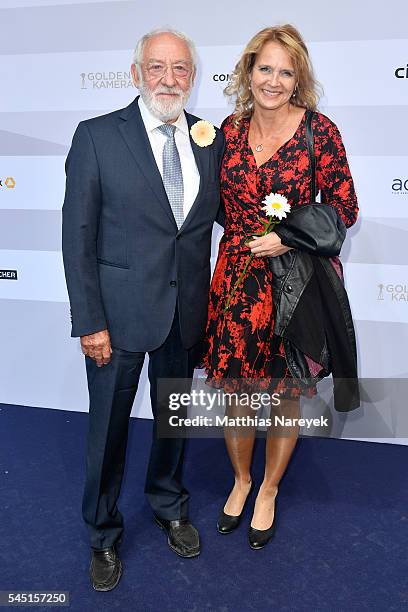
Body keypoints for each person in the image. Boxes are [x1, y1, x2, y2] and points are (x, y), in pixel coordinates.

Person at [62, 28, 224, 590]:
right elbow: (77, 237)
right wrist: (90, 321)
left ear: (193, 78)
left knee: (175, 419)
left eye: (181, 69)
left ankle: (168, 502)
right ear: (135, 74)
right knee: (108, 430)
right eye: (157, 67)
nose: (169, 78)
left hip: (185, 311)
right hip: (118, 317)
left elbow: (226, 215)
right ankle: (103, 534)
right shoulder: (98, 137)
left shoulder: (212, 139)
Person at [201, 24, 359, 550]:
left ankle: (269, 488)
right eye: (264, 68)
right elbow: (210, 204)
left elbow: (344, 208)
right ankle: (242, 480)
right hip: (236, 282)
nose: (273, 80)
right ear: (248, 71)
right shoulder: (228, 128)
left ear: (299, 79)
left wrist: (287, 238)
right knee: (238, 396)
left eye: (285, 71)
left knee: (284, 396)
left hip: (292, 287)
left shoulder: (320, 131)